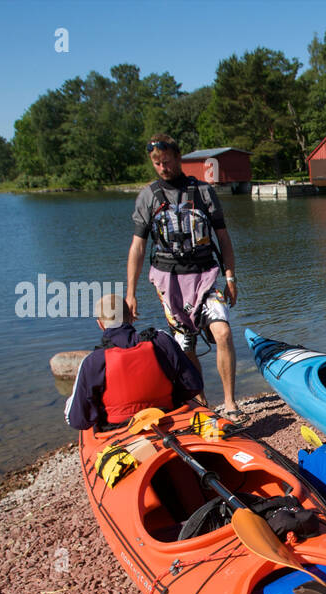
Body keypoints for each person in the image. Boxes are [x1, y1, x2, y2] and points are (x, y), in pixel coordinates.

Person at [125, 135, 243, 418]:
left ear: (179, 159)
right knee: (186, 344)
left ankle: (230, 402)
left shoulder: (203, 192)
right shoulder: (148, 197)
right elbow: (138, 247)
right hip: (170, 283)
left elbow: (223, 238)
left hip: (206, 277)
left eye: (167, 161)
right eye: (157, 163)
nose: (163, 167)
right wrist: (130, 292)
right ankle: (203, 403)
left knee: (223, 332)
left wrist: (230, 277)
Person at [66, 294, 204, 431]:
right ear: (132, 318)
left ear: (100, 324)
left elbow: (77, 420)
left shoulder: (92, 362)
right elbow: (193, 386)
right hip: (166, 418)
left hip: (119, 431)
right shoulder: (162, 341)